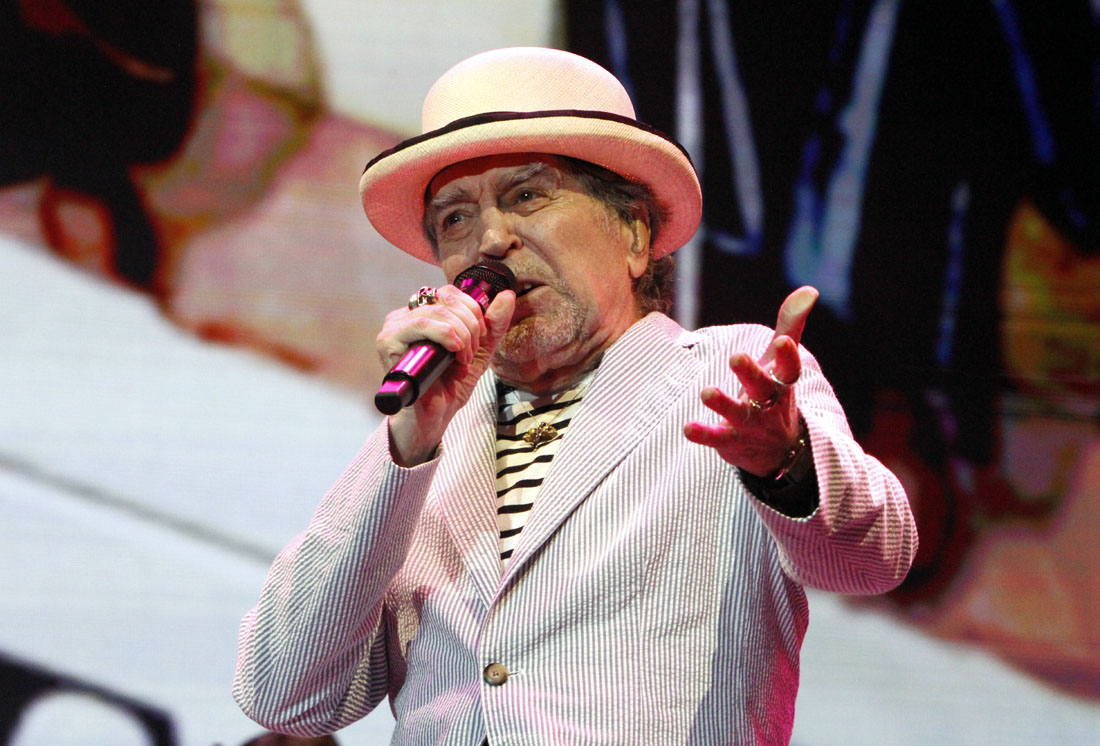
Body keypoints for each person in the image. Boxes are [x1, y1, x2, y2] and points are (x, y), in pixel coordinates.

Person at [233, 47, 917, 746]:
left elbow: (872, 559)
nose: (489, 241)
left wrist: (786, 464)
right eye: (455, 219)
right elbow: (286, 696)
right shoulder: (427, 440)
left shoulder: (729, 373)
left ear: (634, 232)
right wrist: (405, 446)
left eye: (528, 195)